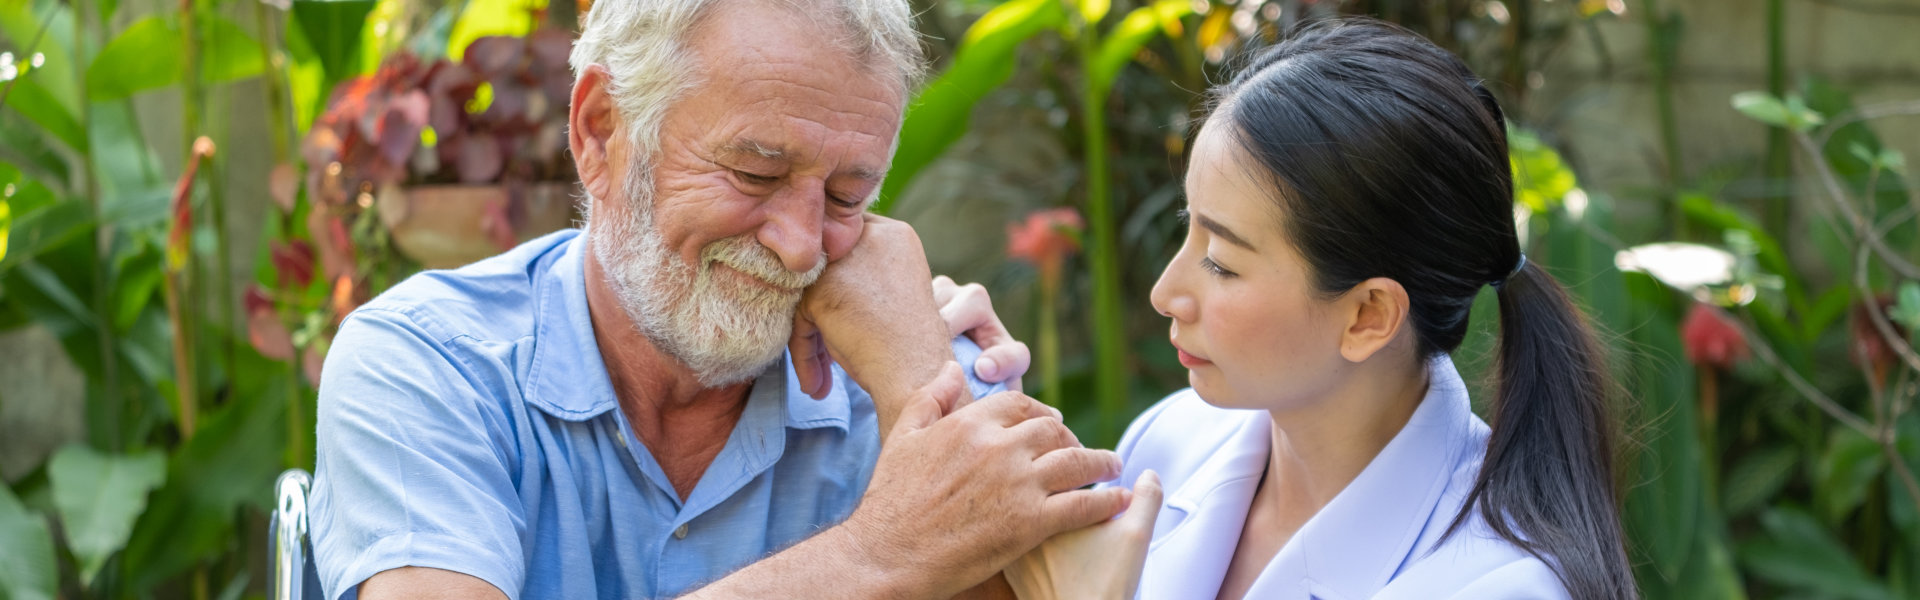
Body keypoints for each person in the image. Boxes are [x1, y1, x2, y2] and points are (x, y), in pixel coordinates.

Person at [308, 0, 1136, 598]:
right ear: (600, 132)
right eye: (756, 173)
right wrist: (881, 556)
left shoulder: (899, 374)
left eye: (849, 195)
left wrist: (924, 383)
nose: (803, 243)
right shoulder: (427, 361)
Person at [1000, 19, 1636, 600]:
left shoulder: (1501, 587)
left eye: (1221, 260)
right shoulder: (1172, 439)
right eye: (1186, 228)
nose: (1166, 294)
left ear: (1367, 316)